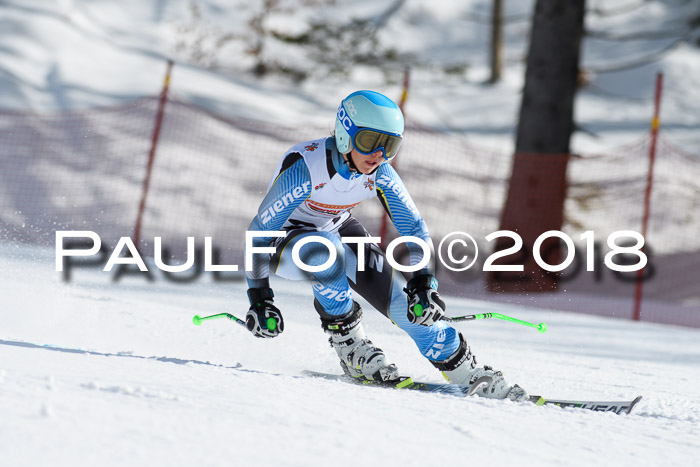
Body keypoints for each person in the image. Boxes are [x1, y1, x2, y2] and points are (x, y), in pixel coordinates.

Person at [244, 90, 526, 401]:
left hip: (336, 230)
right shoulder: (306, 168)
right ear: (344, 134)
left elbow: (413, 227)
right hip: (285, 242)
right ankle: (350, 345)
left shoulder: (380, 173)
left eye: (389, 145)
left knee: (409, 306)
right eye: (369, 141)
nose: (378, 153)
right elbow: (259, 231)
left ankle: (466, 371)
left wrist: (423, 283)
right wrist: (260, 297)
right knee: (324, 251)